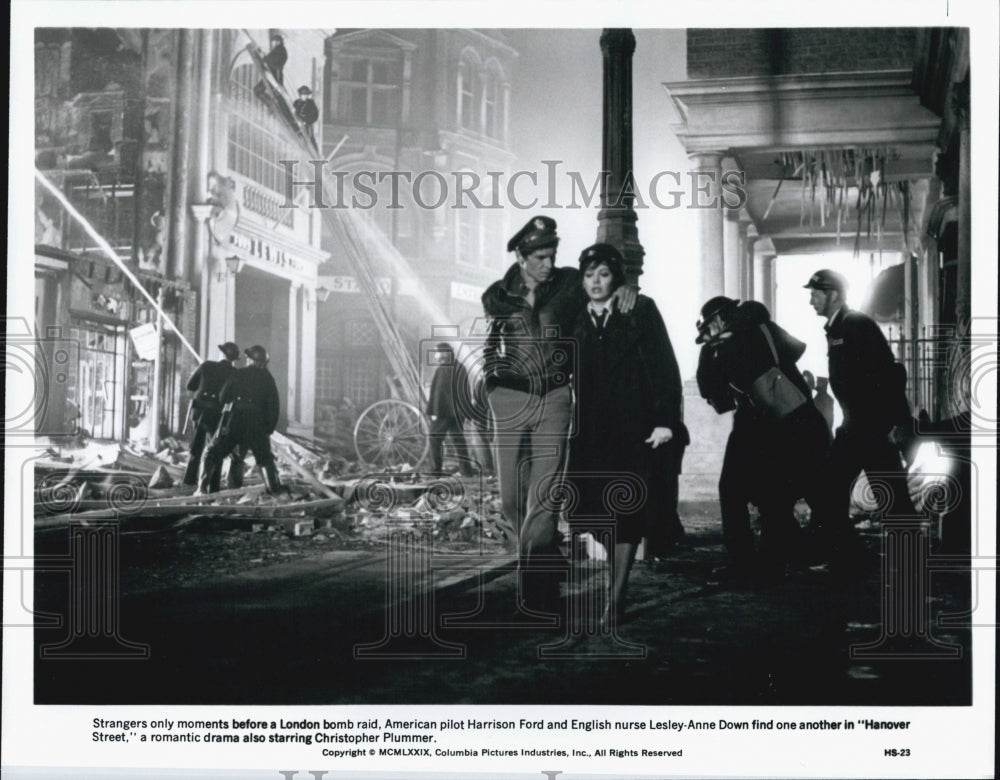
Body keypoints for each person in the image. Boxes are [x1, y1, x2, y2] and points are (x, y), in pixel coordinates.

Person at [481, 216, 636, 616]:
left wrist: (625, 287)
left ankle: (537, 595)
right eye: (540, 257)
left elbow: (601, 284)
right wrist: (493, 388)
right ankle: (546, 563)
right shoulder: (496, 295)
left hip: (553, 398)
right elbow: (492, 343)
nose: (549, 263)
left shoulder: (568, 284)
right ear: (521, 256)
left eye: (552, 255)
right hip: (510, 400)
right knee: (513, 500)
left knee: (544, 497)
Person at [567, 243, 687, 625]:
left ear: (616, 278)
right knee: (595, 514)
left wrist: (667, 420)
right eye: (589, 275)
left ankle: (615, 597)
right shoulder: (576, 317)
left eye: (603, 274)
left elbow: (665, 365)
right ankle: (614, 588)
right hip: (590, 431)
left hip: (632, 429)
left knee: (626, 514)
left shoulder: (640, 310)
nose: (595, 282)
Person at [696, 296, 832, 583]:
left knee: (732, 489)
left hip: (759, 425)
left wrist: (709, 349)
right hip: (797, 418)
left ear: (719, 320)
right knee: (776, 496)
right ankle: (778, 560)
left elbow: (716, 395)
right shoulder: (765, 328)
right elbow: (796, 349)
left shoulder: (728, 343)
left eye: (710, 325)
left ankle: (744, 564)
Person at [804, 269, 915, 558]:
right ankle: (845, 551)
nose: (811, 301)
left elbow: (890, 374)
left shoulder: (855, 324)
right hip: (856, 425)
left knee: (888, 494)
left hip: (871, 426)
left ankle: (906, 556)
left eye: (816, 294)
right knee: (831, 487)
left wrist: (898, 422)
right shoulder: (838, 327)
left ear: (834, 295)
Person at [199, 345, 283, 495]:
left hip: (236, 421)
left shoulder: (239, 374)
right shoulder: (269, 380)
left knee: (212, 453)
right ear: (263, 362)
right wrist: (267, 429)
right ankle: (275, 492)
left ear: (250, 360)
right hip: (257, 425)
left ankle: (202, 489)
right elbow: (274, 407)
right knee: (265, 460)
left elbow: (223, 396)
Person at [183, 342, 240, 486]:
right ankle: (213, 486)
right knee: (215, 449)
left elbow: (190, 385)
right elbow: (231, 397)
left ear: (221, 354)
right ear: (233, 359)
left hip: (198, 411)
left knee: (196, 446)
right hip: (217, 415)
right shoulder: (234, 373)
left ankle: (189, 481)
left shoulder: (206, 365)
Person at [426, 343, 474, 477]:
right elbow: (466, 392)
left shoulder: (442, 370)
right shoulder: (461, 368)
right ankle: (466, 471)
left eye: (439, 353)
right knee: (458, 440)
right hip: (458, 413)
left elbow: (438, 393)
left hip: (444, 413)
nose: (437, 356)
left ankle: (435, 471)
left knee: (434, 438)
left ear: (446, 353)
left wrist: (434, 412)